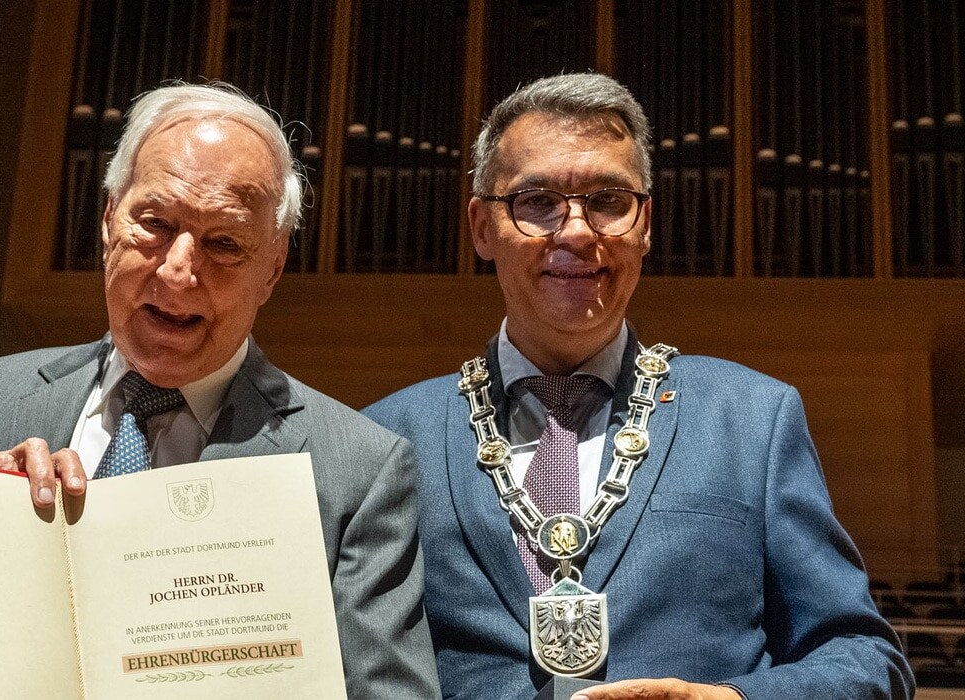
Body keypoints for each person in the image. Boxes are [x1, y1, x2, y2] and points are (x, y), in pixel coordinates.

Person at [363, 73, 911, 700]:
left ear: (644, 223)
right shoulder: (385, 439)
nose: (574, 231)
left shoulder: (753, 419)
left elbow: (865, 659)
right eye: (536, 201)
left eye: (607, 200)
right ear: (482, 229)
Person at [0, 82, 438, 699]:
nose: (179, 269)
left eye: (225, 243)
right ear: (107, 221)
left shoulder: (357, 470)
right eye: (155, 223)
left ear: (274, 266)